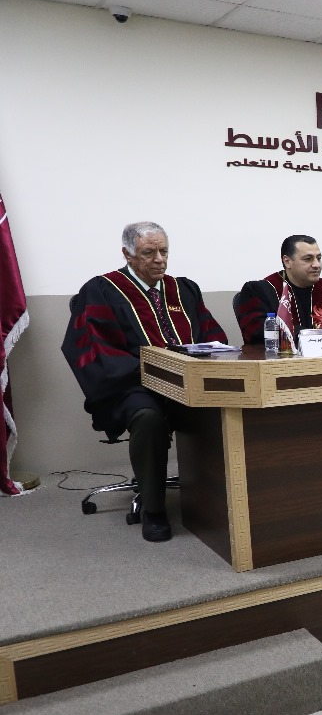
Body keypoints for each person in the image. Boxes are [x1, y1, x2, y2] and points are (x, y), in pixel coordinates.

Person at [61, 222, 227, 542]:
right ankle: (154, 510)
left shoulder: (184, 289)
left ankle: (220, 497)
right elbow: (96, 351)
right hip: (133, 385)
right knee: (148, 418)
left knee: (228, 406)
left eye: (164, 251)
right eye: (149, 252)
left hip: (187, 382)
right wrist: (153, 370)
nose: (159, 259)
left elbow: (211, 337)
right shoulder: (102, 290)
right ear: (127, 254)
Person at [234, 235, 322, 344]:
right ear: (287, 261)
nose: (317, 265)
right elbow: (256, 332)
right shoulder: (260, 292)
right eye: (308, 259)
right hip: (279, 358)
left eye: (318, 258)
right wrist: (306, 335)